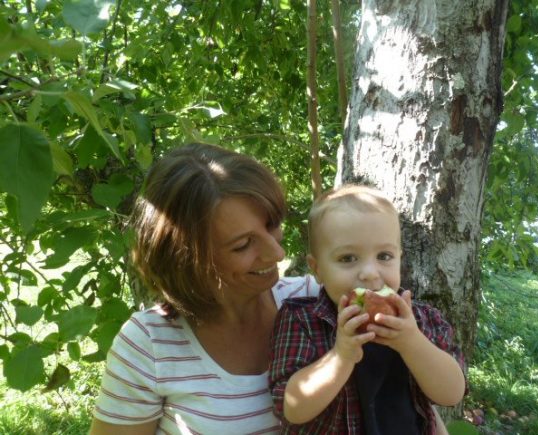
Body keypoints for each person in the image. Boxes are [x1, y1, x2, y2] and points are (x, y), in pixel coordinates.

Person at [89, 143, 320, 435]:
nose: (276, 253)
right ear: (186, 260)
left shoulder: (314, 301)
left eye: (272, 225)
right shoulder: (149, 345)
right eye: (243, 245)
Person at [268, 185, 466, 434]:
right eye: (348, 258)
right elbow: (293, 408)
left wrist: (412, 342)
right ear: (316, 269)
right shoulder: (301, 320)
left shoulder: (422, 319)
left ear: (399, 258)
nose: (370, 273)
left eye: (384, 256)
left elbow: (452, 394)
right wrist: (341, 356)